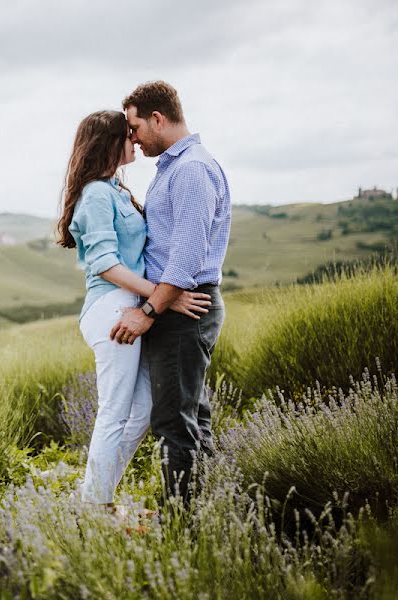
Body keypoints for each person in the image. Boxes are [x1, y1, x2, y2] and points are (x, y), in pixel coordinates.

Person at [56, 109, 212, 510]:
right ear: (109, 142)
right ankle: (95, 508)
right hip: (111, 308)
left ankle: (96, 494)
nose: (135, 140)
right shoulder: (94, 195)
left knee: (141, 412)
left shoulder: (115, 189)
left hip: (132, 306)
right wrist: (167, 294)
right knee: (114, 411)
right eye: (127, 134)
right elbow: (106, 264)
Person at [110, 81, 232, 503]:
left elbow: (185, 256)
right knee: (191, 415)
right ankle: (207, 510)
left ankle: (182, 526)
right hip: (177, 304)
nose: (133, 138)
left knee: (173, 423)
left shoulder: (191, 169)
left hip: (184, 309)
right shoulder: (175, 167)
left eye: (135, 126)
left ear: (158, 119)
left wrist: (148, 311)